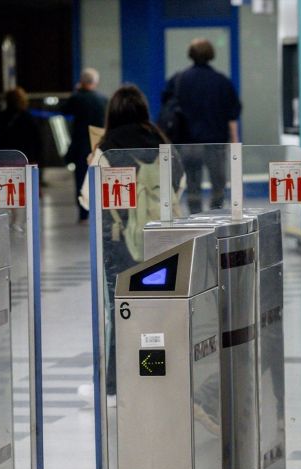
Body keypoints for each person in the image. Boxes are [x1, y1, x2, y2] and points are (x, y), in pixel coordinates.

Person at [79, 84, 180, 403]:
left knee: (120, 311)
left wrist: (92, 162)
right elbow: (180, 189)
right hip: (161, 241)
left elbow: (87, 199)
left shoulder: (108, 149)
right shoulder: (162, 144)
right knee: (156, 311)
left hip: (120, 244)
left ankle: (113, 386)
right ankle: (154, 374)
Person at [163, 38, 241, 213]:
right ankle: (216, 214)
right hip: (216, 142)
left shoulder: (179, 80)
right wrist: (235, 140)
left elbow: (167, 109)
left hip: (188, 141)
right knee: (218, 184)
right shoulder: (221, 81)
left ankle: (195, 217)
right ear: (211, 55)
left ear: (190, 54)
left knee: (192, 184)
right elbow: (232, 114)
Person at [0, 86, 41, 232]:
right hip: (21, 159)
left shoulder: (1, 116)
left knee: (6, 190)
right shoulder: (28, 117)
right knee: (21, 189)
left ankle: (11, 217)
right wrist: (34, 159)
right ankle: (19, 220)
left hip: (4, 159)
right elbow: (35, 140)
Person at [62, 68, 107, 222]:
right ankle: (100, 210)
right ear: (96, 82)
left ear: (82, 81)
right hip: (99, 145)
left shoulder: (76, 98)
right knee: (100, 177)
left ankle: (83, 213)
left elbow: (65, 110)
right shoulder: (103, 99)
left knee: (81, 179)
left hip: (81, 145)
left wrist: (77, 91)